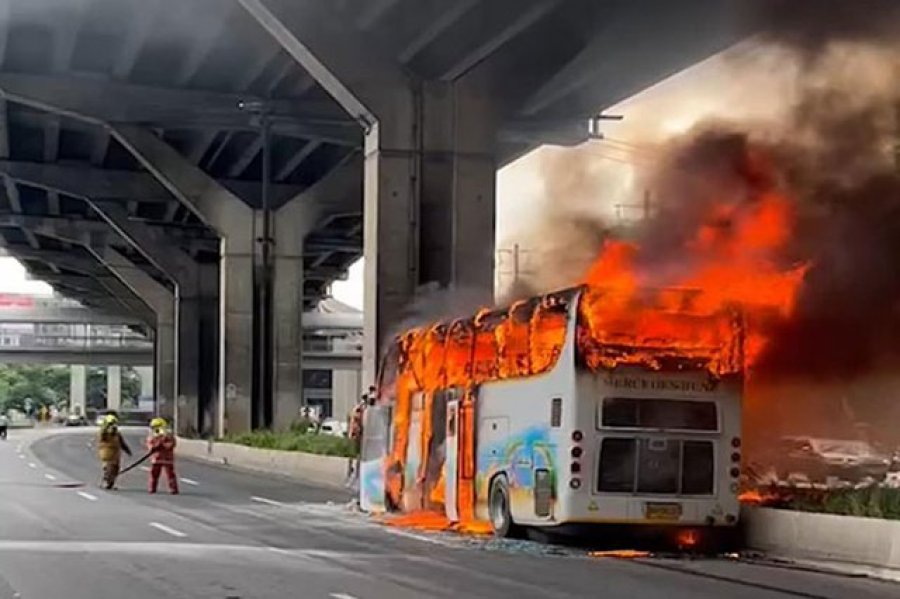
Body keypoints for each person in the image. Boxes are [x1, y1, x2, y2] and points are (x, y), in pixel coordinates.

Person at [97, 414, 131, 489]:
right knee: (109, 467)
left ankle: (111, 482)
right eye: (110, 424)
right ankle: (107, 481)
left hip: (116, 453)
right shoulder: (103, 432)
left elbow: (122, 442)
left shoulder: (117, 433)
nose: (112, 426)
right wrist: (108, 430)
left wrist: (127, 450)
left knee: (115, 468)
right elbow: (102, 438)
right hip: (107, 452)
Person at [146, 417, 179, 495]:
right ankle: (152, 488)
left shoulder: (169, 436)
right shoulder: (152, 436)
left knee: (170, 474)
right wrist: (158, 441)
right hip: (156, 458)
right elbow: (151, 447)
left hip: (168, 459)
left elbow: (170, 445)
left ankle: (173, 489)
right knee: (154, 474)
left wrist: (164, 439)